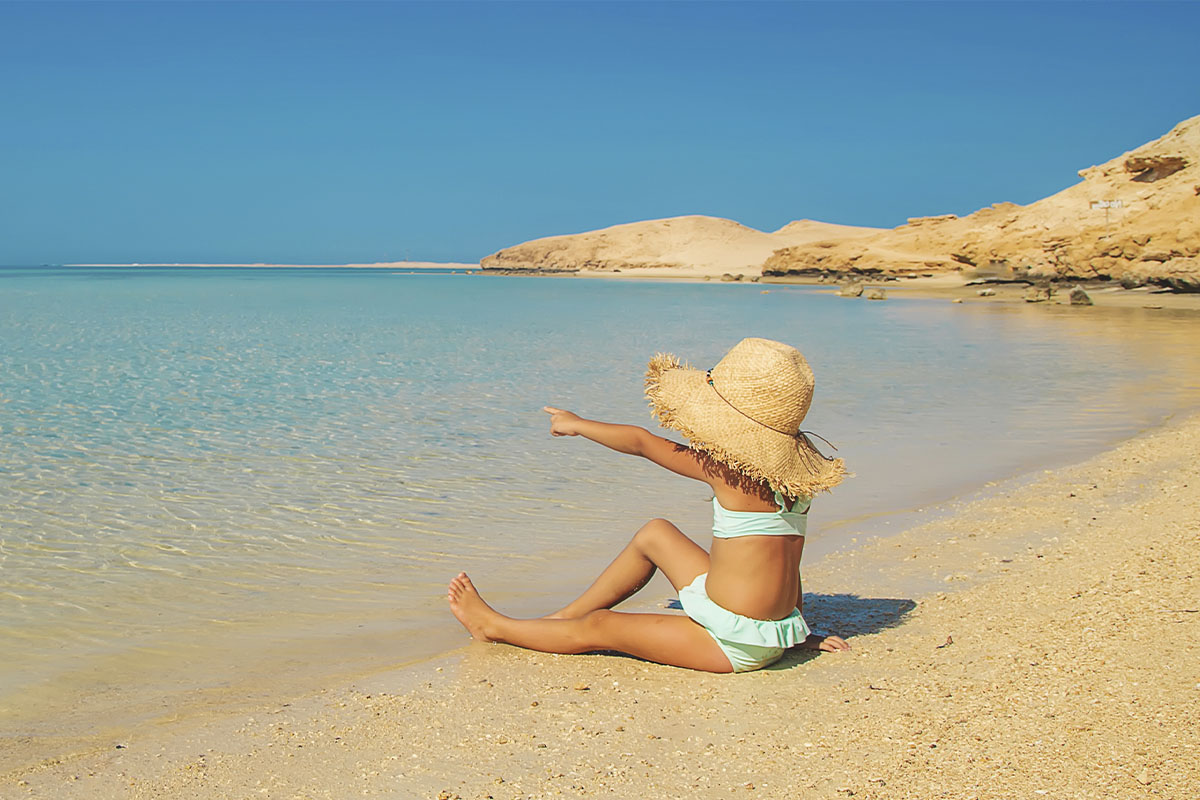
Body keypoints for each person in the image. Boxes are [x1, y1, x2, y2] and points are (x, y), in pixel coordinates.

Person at [448, 337, 851, 673]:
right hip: (771, 626)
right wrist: (796, 633)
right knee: (656, 533)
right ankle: (560, 619)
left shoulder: (729, 473)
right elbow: (782, 563)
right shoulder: (795, 484)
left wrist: (576, 423)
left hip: (731, 643)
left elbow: (643, 443)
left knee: (602, 627)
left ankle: (493, 627)